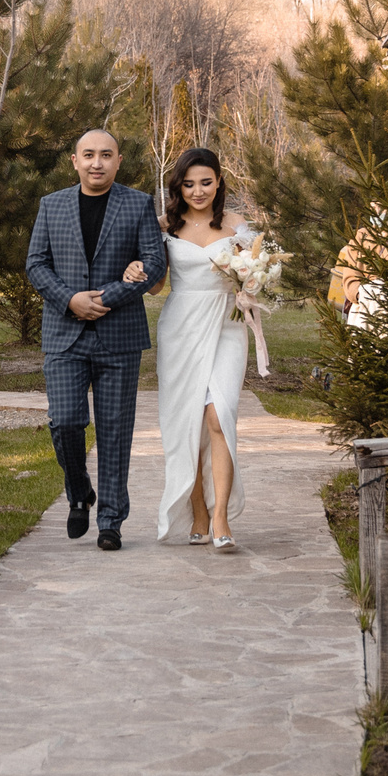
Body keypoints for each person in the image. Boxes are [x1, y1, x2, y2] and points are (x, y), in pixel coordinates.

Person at [25, 128, 166, 550]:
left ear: (118, 160)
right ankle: (79, 489)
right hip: (64, 334)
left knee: (114, 432)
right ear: (75, 160)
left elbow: (155, 264)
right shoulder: (51, 206)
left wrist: (105, 296)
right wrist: (70, 299)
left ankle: (110, 521)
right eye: (88, 155)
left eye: (106, 155)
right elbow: (36, 264)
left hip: (117, 336)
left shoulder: (138, 204)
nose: (97, 163)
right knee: (64, 421)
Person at [125, 147, 253, 551]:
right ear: (178, 186)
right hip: (181, 327)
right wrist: (135, 270)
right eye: (189, 183)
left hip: (226, 326)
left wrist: (255, 280)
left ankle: (221, 517)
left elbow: (250, 280)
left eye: (206, 182)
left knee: (220, 415)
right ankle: (198, 511)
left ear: (219, 182)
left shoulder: (237, 226)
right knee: (187, 423)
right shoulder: (164, 225)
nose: (198, 191)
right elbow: (158, 284)